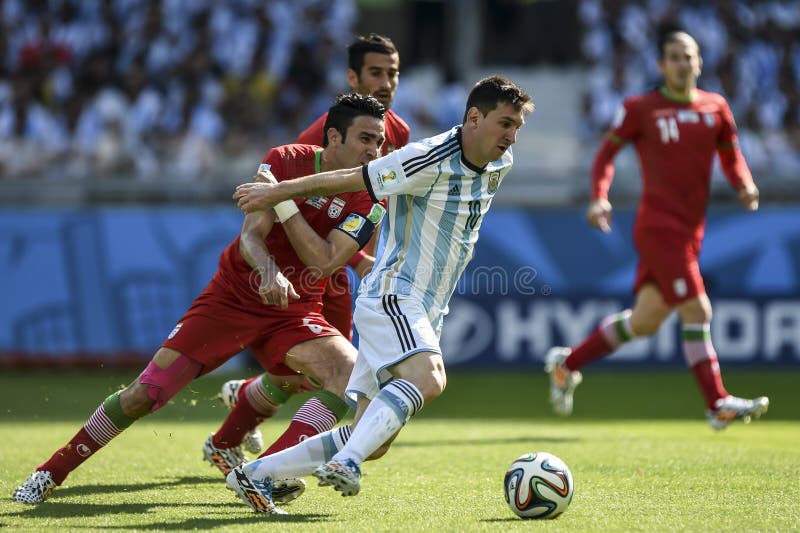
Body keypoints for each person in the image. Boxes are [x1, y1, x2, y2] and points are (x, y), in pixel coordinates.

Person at [12, 93, 387, 506]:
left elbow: (325, 261)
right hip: (233, 298)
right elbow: (250, 236)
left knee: (347, 374)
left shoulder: (370, 194)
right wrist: (267, 268)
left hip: (295, 306)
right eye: (366, 139)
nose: (374, 151)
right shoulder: (285, 158)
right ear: (333, 137)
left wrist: (283, 202)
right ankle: (50, 471)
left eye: (380, 143)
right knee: (146, 394)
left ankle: (265, 471)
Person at [226, 75, 533, 514]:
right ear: (473, 117)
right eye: (505, 123)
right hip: (394, 293)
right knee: (430, 379)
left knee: (375, 438)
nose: (512, 135)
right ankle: (346, 464)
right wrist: (278, 192)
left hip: (427, 306)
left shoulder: (500, 166)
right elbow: (354, 177)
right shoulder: (427, 157)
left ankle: (254, 475)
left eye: (517, 126)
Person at [543, 31, 769, 429]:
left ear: (699, 62)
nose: (683, 63)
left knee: (645, 321)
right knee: (698, 309)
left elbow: (732, 156)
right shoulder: (641, 107)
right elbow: (606, 154)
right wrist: (598, 197)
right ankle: (716, 403)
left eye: (689, 56)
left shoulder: (716, 107)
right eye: (674, 57)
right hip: (658, 227)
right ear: (662, 65)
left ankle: (567, 363)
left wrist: (744, 184)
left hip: (691, 231)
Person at [213, 33, 411, 462]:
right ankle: (259, 458)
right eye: (375, 73)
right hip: (307, 266)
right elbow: (283, 196)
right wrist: (355, 258)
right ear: (352, 77)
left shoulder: (398, 132)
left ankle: (230, 434)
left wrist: (366, 253)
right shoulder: (323, 135)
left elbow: (374, 200)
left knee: (323, 377)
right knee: (336, 376)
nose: (385, 82)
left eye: (391, 73)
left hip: (338, 262)